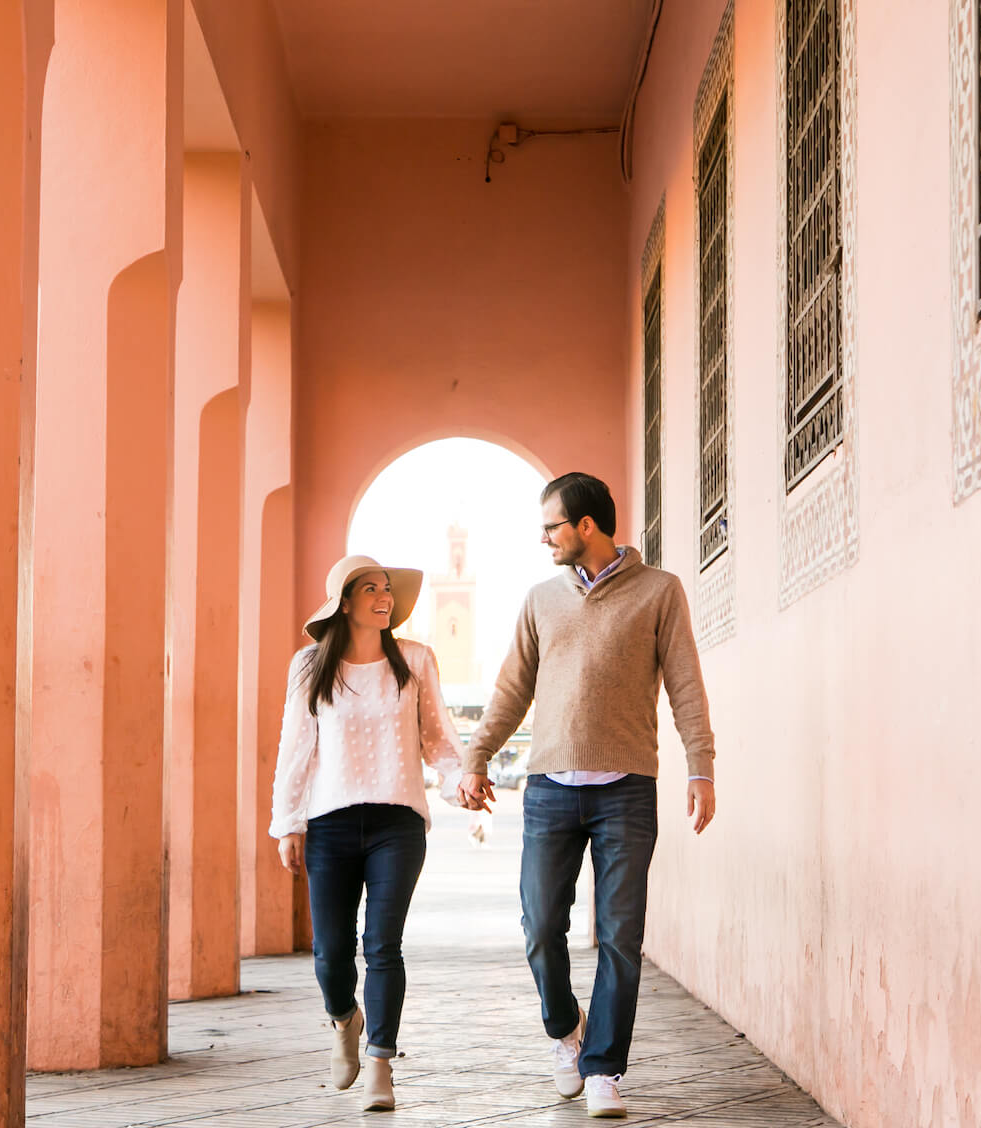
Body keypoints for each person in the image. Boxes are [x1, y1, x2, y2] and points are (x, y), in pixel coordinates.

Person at [457, 472, 716, 1119]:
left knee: (621, 935)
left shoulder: (660, 592)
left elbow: (685, 684)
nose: (543, 537)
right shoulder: (541, 599)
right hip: (549, 790)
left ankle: (603, 1066)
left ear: (587, 526)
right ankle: (564, 1027)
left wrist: (701, 768)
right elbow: (512, 689)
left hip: (627, 791)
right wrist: (476, 756)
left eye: (552, 526)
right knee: (541, 927)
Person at [270, 555, 465, 1112]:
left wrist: (461, 783)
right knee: (331, 952)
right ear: (344, 602)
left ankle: (380, 1060)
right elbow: (296, 748)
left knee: (383, 945)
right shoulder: (310, 666)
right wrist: (288, 824)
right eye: (371, 589)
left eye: (387, 589)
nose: (384, 597)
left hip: (397, 822)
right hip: (329, 823)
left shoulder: (415, 660)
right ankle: (344, 1018)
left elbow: (439, 740)